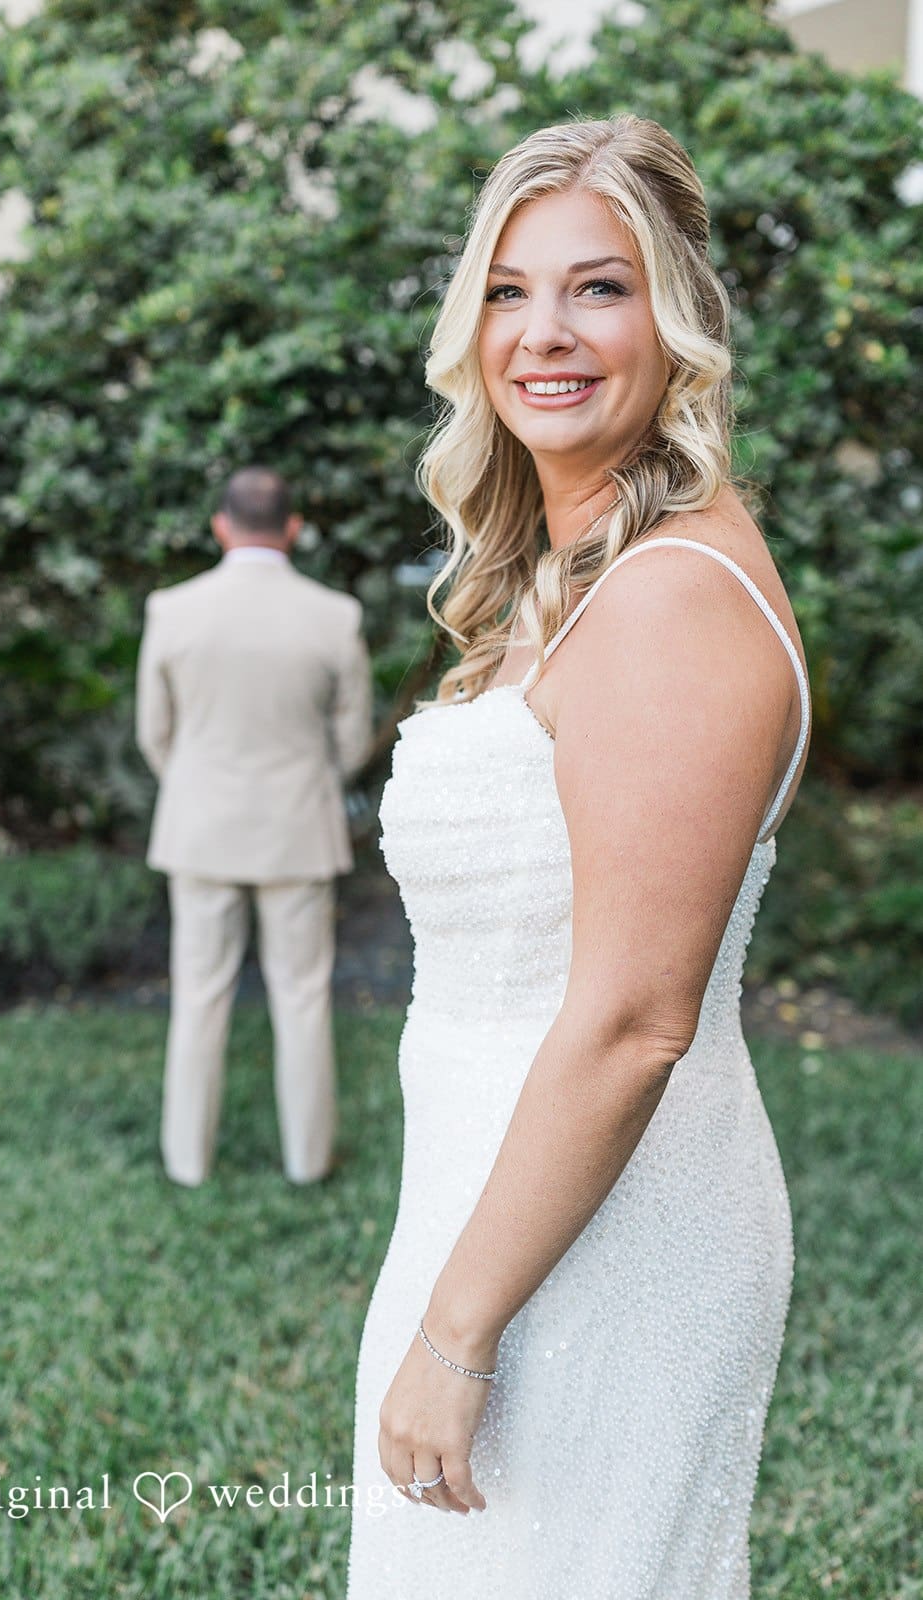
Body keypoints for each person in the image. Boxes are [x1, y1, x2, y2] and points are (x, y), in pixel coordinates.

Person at [346, 114, 811, 1598]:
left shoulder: (671, 598)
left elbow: (628, 1022)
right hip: (496, 1206)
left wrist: (454, 1329)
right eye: (505, 289)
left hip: (593, 1238)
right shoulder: (571, 578)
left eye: (597, 288)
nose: (541, 332)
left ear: (674, 319)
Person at [135, 468, 373, 1187]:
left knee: (198, 995)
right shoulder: (334, 615)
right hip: (298, 828)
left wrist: (198, 784)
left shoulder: (172, 610)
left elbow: (155, 733)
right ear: (292, 528)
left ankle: (187, 1162)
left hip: (199, 828)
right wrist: (307, 780)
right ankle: (307, 1162)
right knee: (301, 997)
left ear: (220, 526)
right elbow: (354, 742)